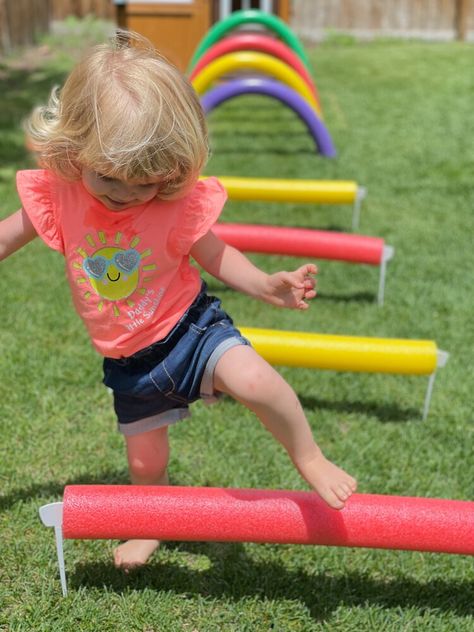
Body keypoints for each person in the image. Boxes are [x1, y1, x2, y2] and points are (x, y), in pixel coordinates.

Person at [0, 32, 356, 569]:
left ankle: (310, 456)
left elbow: (216, 254)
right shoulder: (59, 193)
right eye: (110, 177)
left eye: (146, 182)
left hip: (190, 330)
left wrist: (263, 283)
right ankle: (150, 524)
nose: (126, 193)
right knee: (145, 464)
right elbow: (6, 235)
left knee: (258, 381)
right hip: (129, 362)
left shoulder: (173, 202)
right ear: (75, 151)